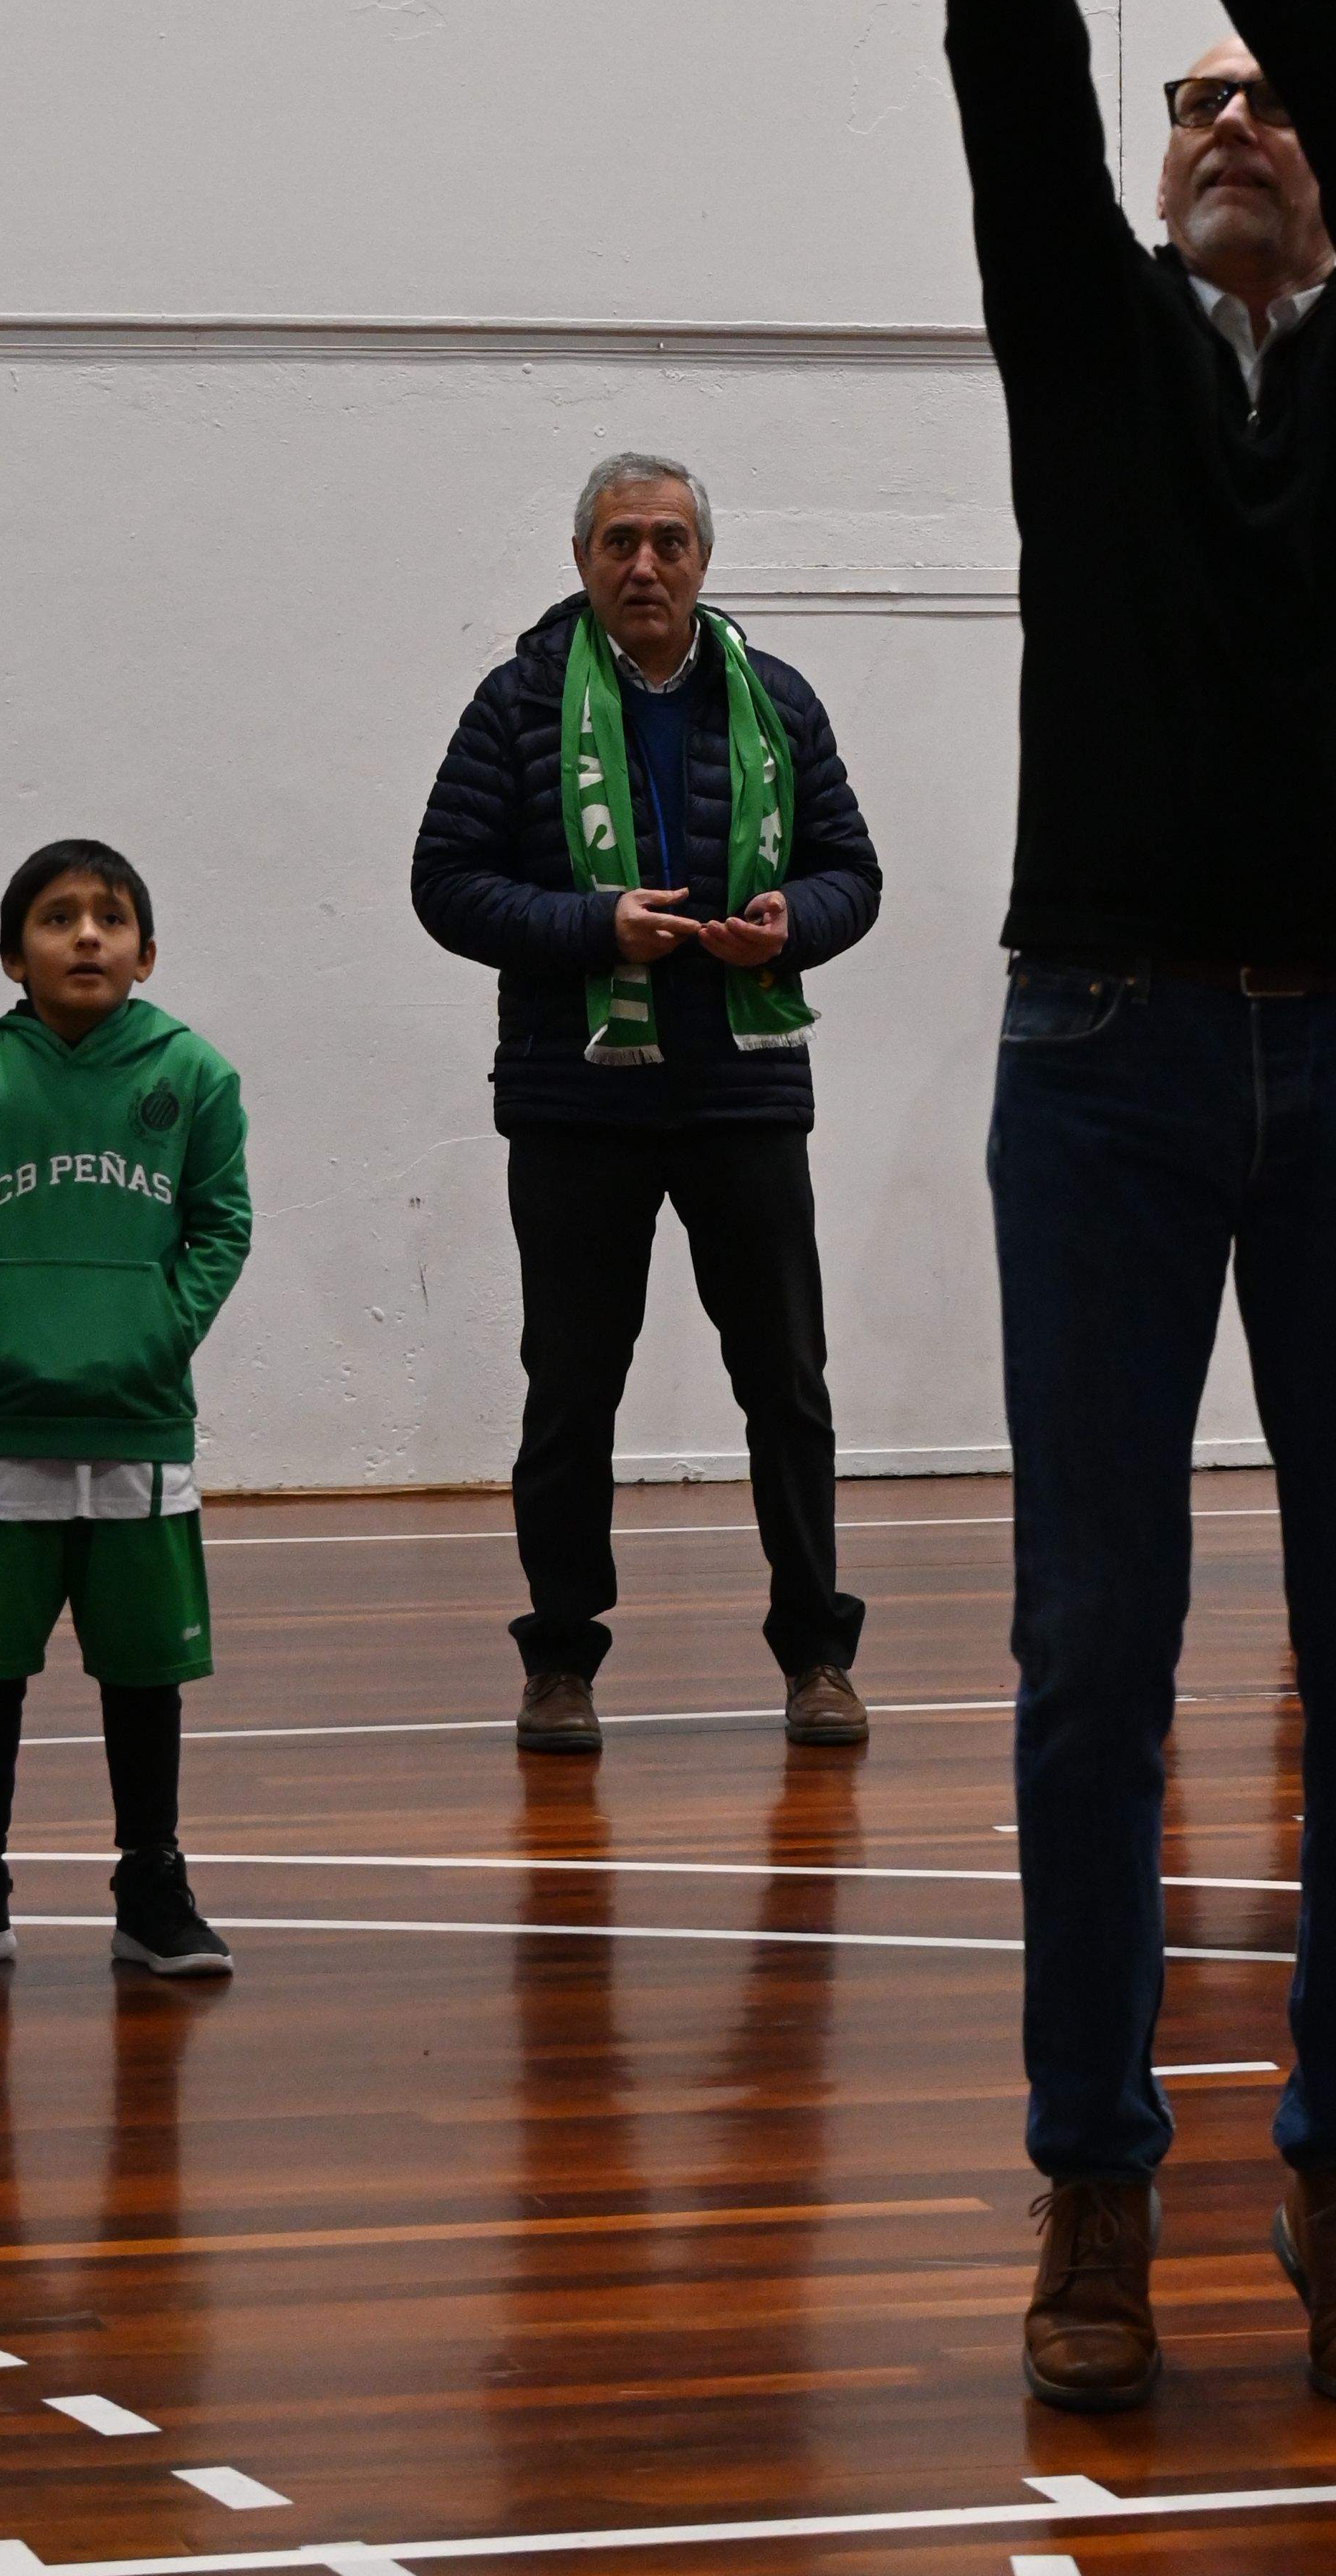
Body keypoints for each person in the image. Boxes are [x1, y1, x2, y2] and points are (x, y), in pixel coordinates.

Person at [734, 0, 1336, 2418]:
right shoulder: (1089, 360)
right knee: (1094, 1646)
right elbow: (992, 81)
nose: (1224, 121)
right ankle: (1093, 2200)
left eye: (1257, 102)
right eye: (1193, 99)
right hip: (1104, 1061)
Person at [410, 453, 883, 1756]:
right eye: (620, 542)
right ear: (582, 563)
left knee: (786, 1386)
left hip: (743, 1094)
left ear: (704, 561)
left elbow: (854, 870)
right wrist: (593, 925)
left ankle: (817, 1658)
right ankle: (560, 1663)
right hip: (579, 1105)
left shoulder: (776, 700)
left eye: (670, 542)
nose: (645, 566)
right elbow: (446, 883)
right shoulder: (514, 705)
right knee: (571, 1391)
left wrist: (791, 924)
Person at [0, 837, 251, 1981]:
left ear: (147, 951)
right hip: (2, 1427)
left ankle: (152, 1889)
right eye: (56, 917)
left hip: (140, 1425)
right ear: (12, 955)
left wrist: (156, 1333)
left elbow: (220, 1227)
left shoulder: (195, 1075)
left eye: (109, 917)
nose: (85, 934)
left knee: (142, 1671)